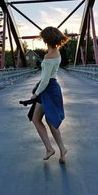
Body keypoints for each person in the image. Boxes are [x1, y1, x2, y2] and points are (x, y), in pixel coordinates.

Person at [30, 26, 69, 164]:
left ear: (47, 39)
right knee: (44, 120)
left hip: (48, 89)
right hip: (51, 89)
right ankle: (57, 149)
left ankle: (53, 149)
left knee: (42, 120)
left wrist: (35, 94)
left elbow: (45, 80)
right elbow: (47, 78)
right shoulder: (56, 52)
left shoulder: (48, 56)